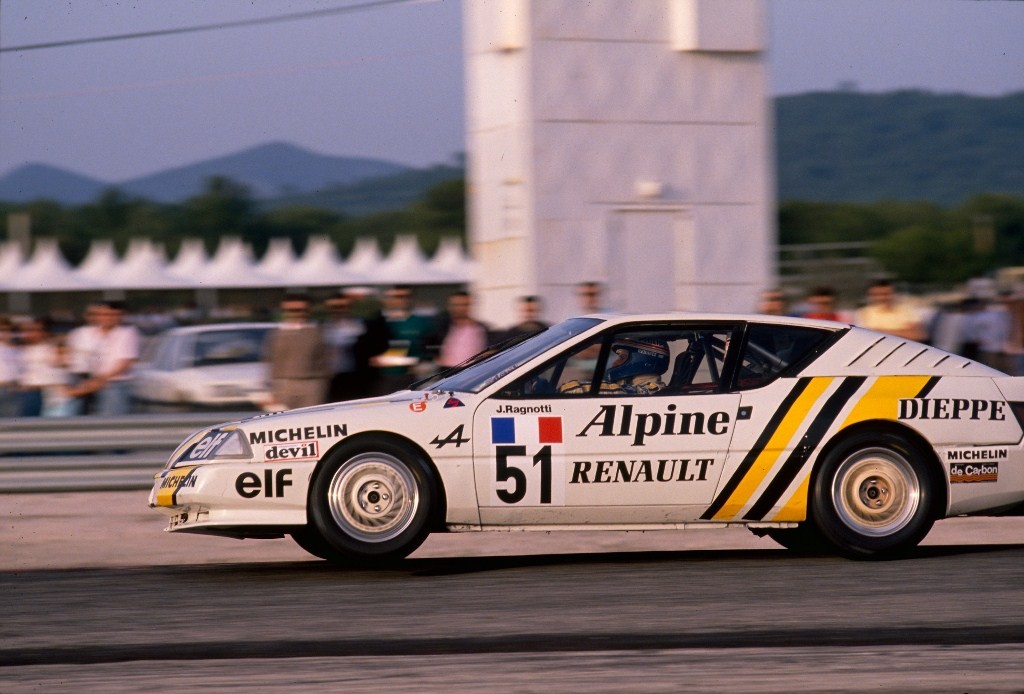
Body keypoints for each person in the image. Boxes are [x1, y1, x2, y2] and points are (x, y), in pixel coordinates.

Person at [263, 293, 330, 410]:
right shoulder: (277, 334)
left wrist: (321, 381)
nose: (297, 314)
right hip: (285, 384)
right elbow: (271, 362)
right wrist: (271, 390)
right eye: (291, 310)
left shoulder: (319, 332)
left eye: (301, 310)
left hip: (312, 383)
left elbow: (327, 358)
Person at [324, 290, 389, 402]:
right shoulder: (323, 327)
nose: (339, 309)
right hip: (330, 377)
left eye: (342, 306)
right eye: (335, 307)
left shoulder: (360, 326)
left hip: (356, 376)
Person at [79, 300, 141, 416]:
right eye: (103, 315)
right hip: (90, 384)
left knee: (111, 423)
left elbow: (124, 363)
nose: (108, 318)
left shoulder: (127, 332)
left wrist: (99, 381)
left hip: (115, 386)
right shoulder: (90, 333)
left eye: (113, 315)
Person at [376, 285, 438, 393]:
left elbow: (432, 347)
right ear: (388, 299)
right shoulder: (379, 322)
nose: (403, 300)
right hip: (385, 377)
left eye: (406, 296)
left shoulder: (421, 322)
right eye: (398, 296)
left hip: (414, 377)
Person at [560, 336, 669, 395]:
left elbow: (574, 391)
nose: (614, 363)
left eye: (621, 357)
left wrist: (565, 390)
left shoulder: (654, 390)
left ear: (643, 360)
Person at [855, 279, 925, 341]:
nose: (882, 298)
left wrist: (879, 331)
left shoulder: (906, 311)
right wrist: (903, 332)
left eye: (886, 294)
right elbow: (865, 337)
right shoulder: (863, 313)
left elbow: (918, 335)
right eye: (877, 295)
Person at [436, 291, 491, 369]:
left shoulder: (481, 328)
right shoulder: (441, 326)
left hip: (472, 371)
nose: (460, 308)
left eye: (465, 305)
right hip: (446, 372)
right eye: (456, 305)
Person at [0, 316, 20, 418]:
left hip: (12, 391)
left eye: (7, 330)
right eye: (1, 330)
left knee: (10, 423)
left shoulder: (18, 350)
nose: (3, 333)